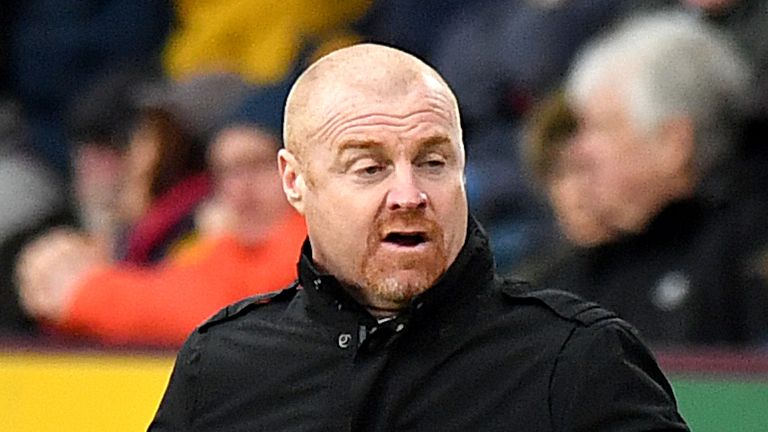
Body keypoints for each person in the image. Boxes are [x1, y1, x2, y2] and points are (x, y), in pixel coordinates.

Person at [149, 43, 688, 431]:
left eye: (432, 161)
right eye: (369, 167)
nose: (408, 194)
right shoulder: (221, 366)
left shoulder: (577, 359)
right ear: (295, 181)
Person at [535, 12, 768, 347]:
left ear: (674, 143)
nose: (579, 152)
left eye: (600, 127)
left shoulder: (744, 258)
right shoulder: (570, 275)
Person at [15, 123, 305, 347]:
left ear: (293, 168)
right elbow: (175, 286)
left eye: (255, 165)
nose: (240, 190)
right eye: (226, 172)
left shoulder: (312, 239)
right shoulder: (223, 242)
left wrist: (81, 293)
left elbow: (218, 312)